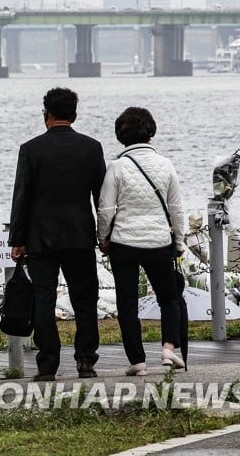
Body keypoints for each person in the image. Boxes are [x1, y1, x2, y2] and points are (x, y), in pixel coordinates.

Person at [9, 87, 107, 381]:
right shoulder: (91, 148)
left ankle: (47, 365)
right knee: (85, 299)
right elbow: (100, 198)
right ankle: (86, 361)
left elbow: (21, 197)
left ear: (46, 115)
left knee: (43, 300)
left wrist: (17, 239)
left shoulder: (31, 149)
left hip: (41, 238)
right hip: (80, 236)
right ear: (74, 114)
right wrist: (104, 235)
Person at [97, 107, 185, 376]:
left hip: (124, 243)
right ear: (151, 132)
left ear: (121, 135)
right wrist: (179, 241)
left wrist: (103, 239)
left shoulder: (116, 167)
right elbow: (176, 209)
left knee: (127, 302)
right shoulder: (166, 165)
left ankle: (137, 360)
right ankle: (169, 348)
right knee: (168, 298)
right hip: (158, 242)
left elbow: (105, 209)